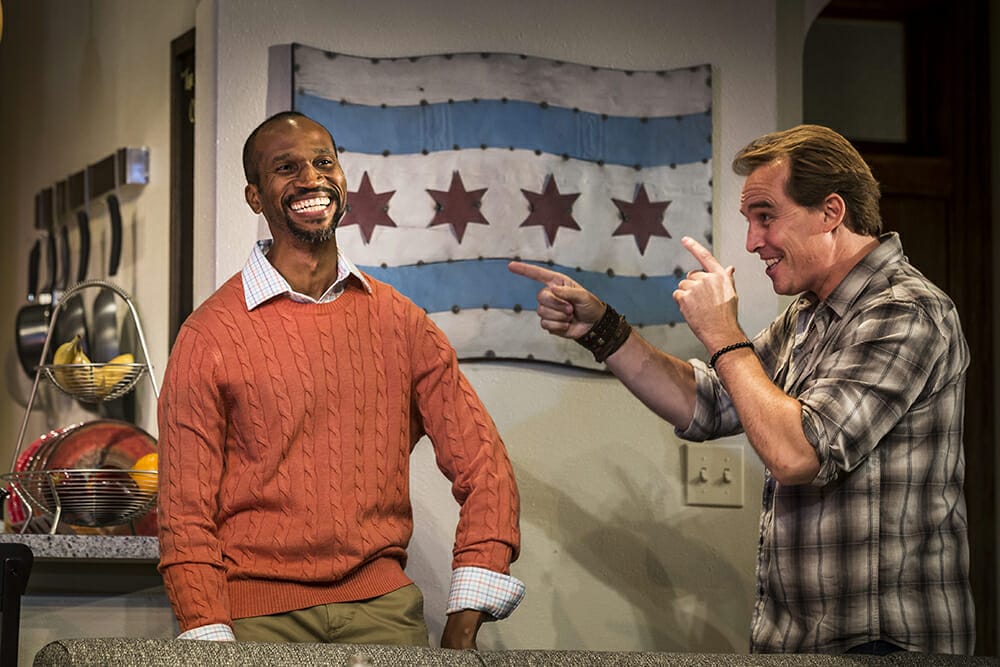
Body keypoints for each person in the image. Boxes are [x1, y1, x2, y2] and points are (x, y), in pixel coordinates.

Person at [509, 124, 974, 655]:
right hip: (796, 644)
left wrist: (721, 332)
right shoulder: (808, 314)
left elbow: (798, 454)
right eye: (749, 221)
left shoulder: (904, 310)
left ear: (831, 212)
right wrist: (602, 329)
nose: (752, 242)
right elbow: (710, 401)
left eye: (766, 217)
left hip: (883, 647)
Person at [157, 111, 523, 649]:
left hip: (384, 614)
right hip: (253, 621)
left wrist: (465, 619)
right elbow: (183, 510)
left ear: (343, 179)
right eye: (286, 168)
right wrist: (208, 633)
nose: (311, 178)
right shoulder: (208, 334)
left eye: (323, 162)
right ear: (255, 197)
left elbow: (485, 467)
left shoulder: (402, 323)